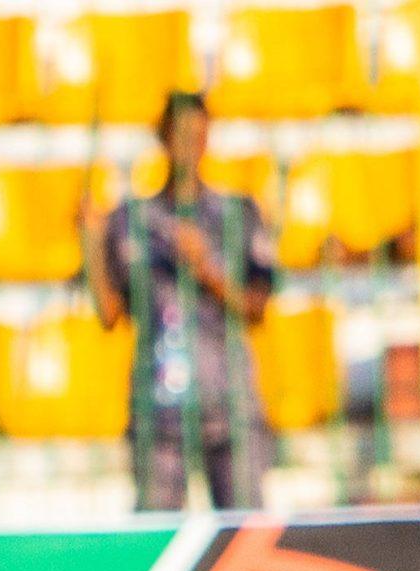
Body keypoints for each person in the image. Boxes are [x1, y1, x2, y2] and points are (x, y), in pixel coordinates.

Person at [84, 91, 279, 512]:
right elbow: (109, 314)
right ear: (163, 138)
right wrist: (93, 244)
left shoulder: (236, 214)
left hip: (230, 403)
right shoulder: (131, 220)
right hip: (159, 408)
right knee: (158, 535)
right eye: (181, 134)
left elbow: (257, 309)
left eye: (199, 134)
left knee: (242, 533)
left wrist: (206, 268)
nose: (190, 144)